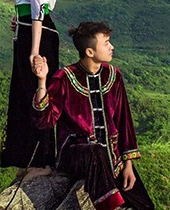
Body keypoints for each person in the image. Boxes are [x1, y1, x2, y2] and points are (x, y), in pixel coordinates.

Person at [32, 21, 154, 210]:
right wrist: (42, 81)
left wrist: (128, 164)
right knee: (95, 151)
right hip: (76, 154)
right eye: (106, 43)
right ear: (90, 52)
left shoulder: (114, 76)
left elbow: (124, 121)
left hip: (111, 158)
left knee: (144, 205)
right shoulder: (64, 78)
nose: (111, 47)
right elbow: (45, 119)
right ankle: (109, 206)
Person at [0, 0, 68, 178]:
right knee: (25, 94)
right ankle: (30, 161)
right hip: (32, 30)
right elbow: (38, 7)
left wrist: (34, 50)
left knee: (34, 97)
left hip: (36, 35)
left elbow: (40, 8)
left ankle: (41, 163)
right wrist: (21, 21)